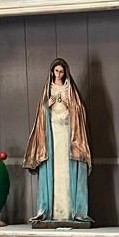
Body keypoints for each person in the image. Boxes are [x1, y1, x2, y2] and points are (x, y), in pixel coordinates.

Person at [24, 59, 92, 224]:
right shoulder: (48, 89)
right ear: (52, 72)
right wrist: (48, 105)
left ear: (65, 72)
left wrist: (72, 107)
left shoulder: (70, 90)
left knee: (67, 172)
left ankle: (71, 211)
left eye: (61, 71)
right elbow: (41, 111)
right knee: (54, 171)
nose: (59, 74)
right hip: (52, 134)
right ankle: (50, 210)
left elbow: (80, 109)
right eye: (56, 71)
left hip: (68, 135)